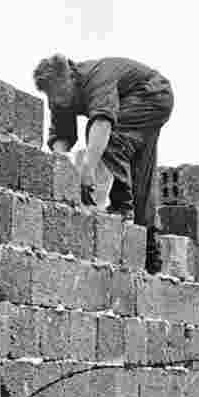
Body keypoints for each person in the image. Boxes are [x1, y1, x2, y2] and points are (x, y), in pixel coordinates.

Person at [33, 54, 174, 273]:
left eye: (61, 93)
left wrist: (87, 170)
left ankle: (121, 207)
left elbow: (102, 123)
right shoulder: (58, 95)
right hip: (139, 100)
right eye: (53, 97)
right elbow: (61, 137)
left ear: (70, 76)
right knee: (140, 169)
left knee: (108, 138)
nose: (59, 101)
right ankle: (148, 246)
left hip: (154, 94)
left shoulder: (96, 77)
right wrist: (59, 171)